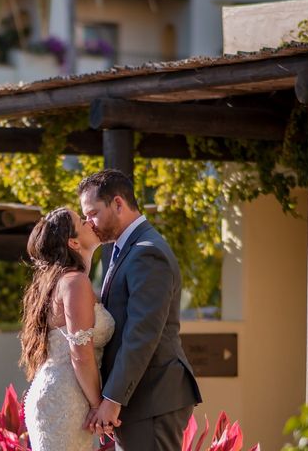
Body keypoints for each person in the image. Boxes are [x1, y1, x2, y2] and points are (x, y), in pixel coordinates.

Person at [78, 169, 202, 451]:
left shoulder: (148, 251)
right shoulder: (126, 249)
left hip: (153, 398)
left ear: (118, 204)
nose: (89, 223)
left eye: (93, 213)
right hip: (142, 400)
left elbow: (142, 333)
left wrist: (112, 399)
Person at [21, 207, 115, 451]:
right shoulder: (74, 282)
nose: (88, 222)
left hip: (60, 395)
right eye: (81, 221)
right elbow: (80, 355)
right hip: (66, 400)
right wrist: (98, 407)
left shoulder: (61, 282)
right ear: (73, 242)